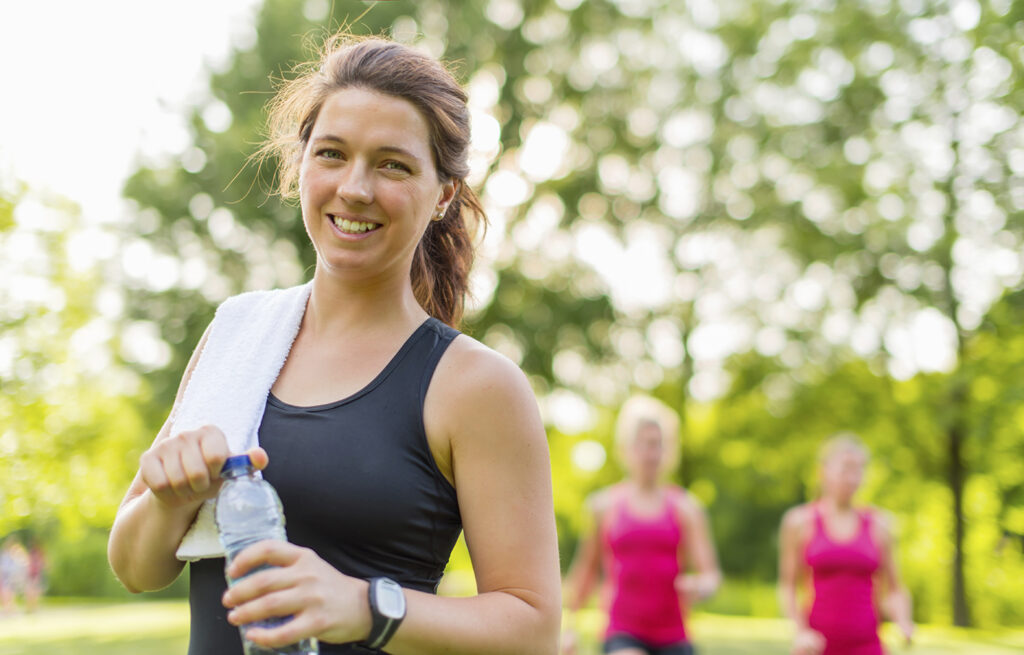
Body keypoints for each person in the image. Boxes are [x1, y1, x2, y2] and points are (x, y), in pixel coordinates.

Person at [107, 34, 561, 655]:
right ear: (301, 165)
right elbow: (136, 570)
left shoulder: (475, 386)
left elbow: (533, 628)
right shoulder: (237, 335)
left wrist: (363, 605)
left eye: (392, 164)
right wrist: (170, 501)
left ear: (444, 194)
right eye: (332, 154)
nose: (355, 188)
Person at [562, 395, 721, 655]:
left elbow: (711, 575)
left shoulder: (687, 508)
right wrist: (570, 627)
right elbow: (585, 571)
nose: (652, 453)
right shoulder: (603, 506)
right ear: (627, 448)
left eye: (658, 445)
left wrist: (701, 586)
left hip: (674, 636)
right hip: (622, 632)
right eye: (645, 444)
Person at [777, 433, 914, 655]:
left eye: (859, 470)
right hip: (816, 646)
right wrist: (799, 631)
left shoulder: (880, 524)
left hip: (867, 645)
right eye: (846, 469)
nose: (852, 478)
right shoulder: (799, 522)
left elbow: (895, 589)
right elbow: (788, 587)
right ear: (822, 472)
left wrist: (904, 622)